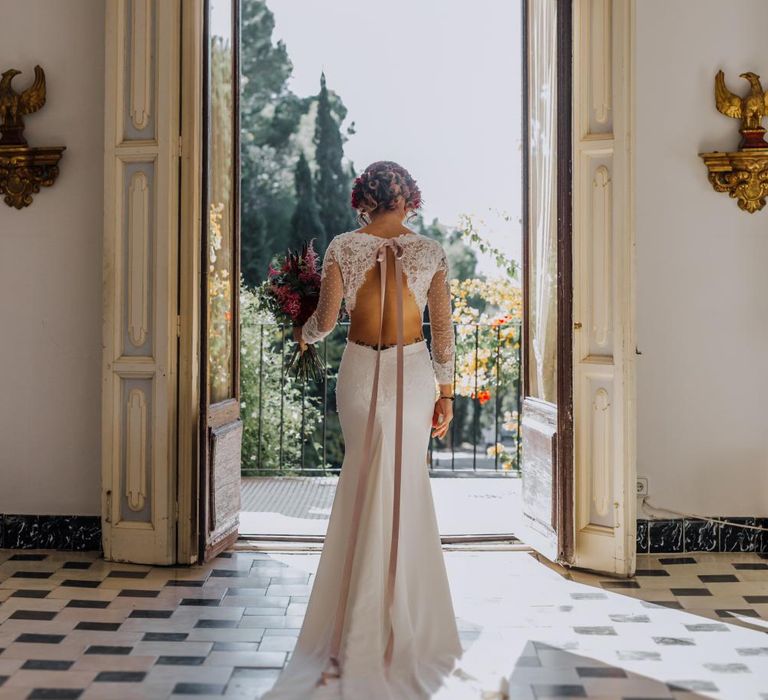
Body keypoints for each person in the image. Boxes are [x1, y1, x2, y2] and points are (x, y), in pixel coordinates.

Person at [261, 161, 463, 699]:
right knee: (404, 484)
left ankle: (356, 617)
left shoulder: (342, 247)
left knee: (361, 476)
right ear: (409, 200)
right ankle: (400, 618)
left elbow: (327, 322)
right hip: (415, 372)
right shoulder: (429, 251)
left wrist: (302, 334)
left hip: (359, 370)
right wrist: (446, 394)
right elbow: (441, 332)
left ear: (364, 200)